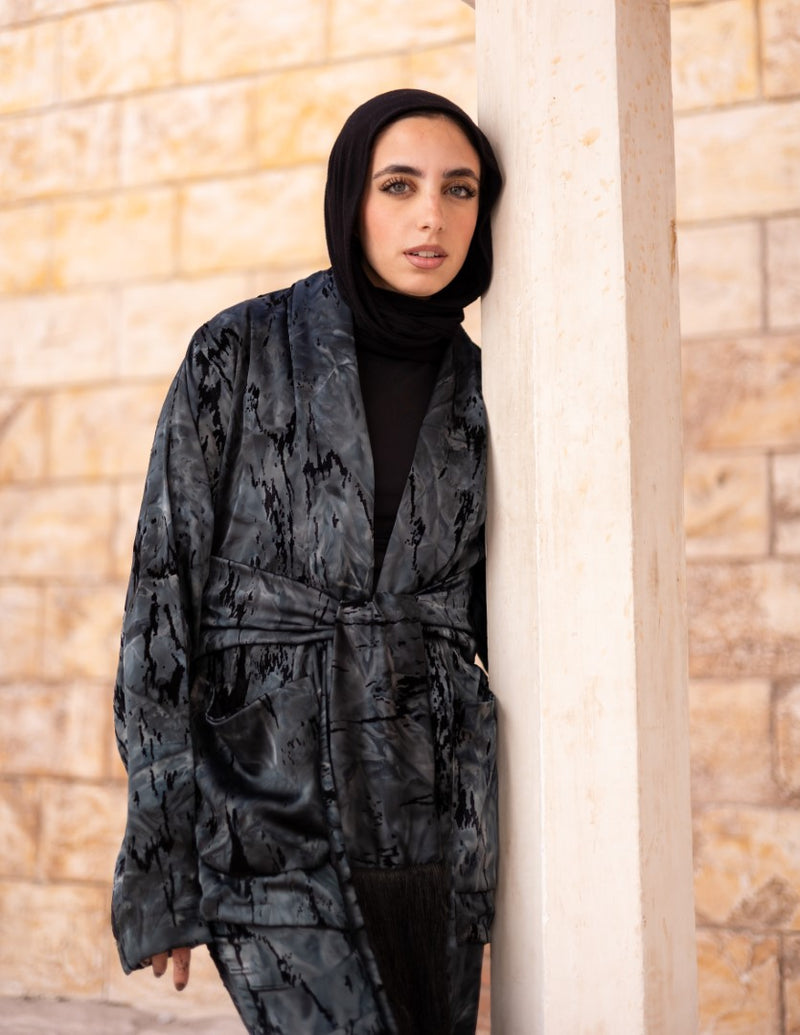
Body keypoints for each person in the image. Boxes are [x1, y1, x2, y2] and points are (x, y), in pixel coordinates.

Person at [112, 89, 502, 1035]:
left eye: (460, 190)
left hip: (433, 808)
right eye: (399, 185)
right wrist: (166, 854)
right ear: (349, 201)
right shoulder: (238, 352)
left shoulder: (489, 385)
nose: (431, 217)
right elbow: (163, 604)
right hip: (267, 798)